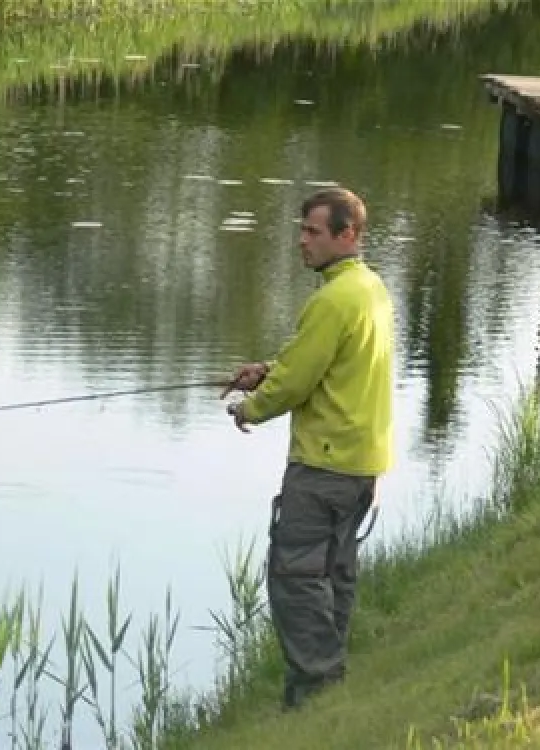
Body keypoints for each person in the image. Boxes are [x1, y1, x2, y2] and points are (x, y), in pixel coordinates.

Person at [221, 187, 394, 710]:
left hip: (323, 466)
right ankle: (330, 686)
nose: (302, 241)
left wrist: (250, 408)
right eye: (301, 230)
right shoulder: (369, 288)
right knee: (334, 576)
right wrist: (269, 371)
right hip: (362, 465)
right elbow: (320, 363)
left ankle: (314, 690)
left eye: (313, 232)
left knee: (297, 579)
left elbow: (296, 386)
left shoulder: (331, 300)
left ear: (348, 235)